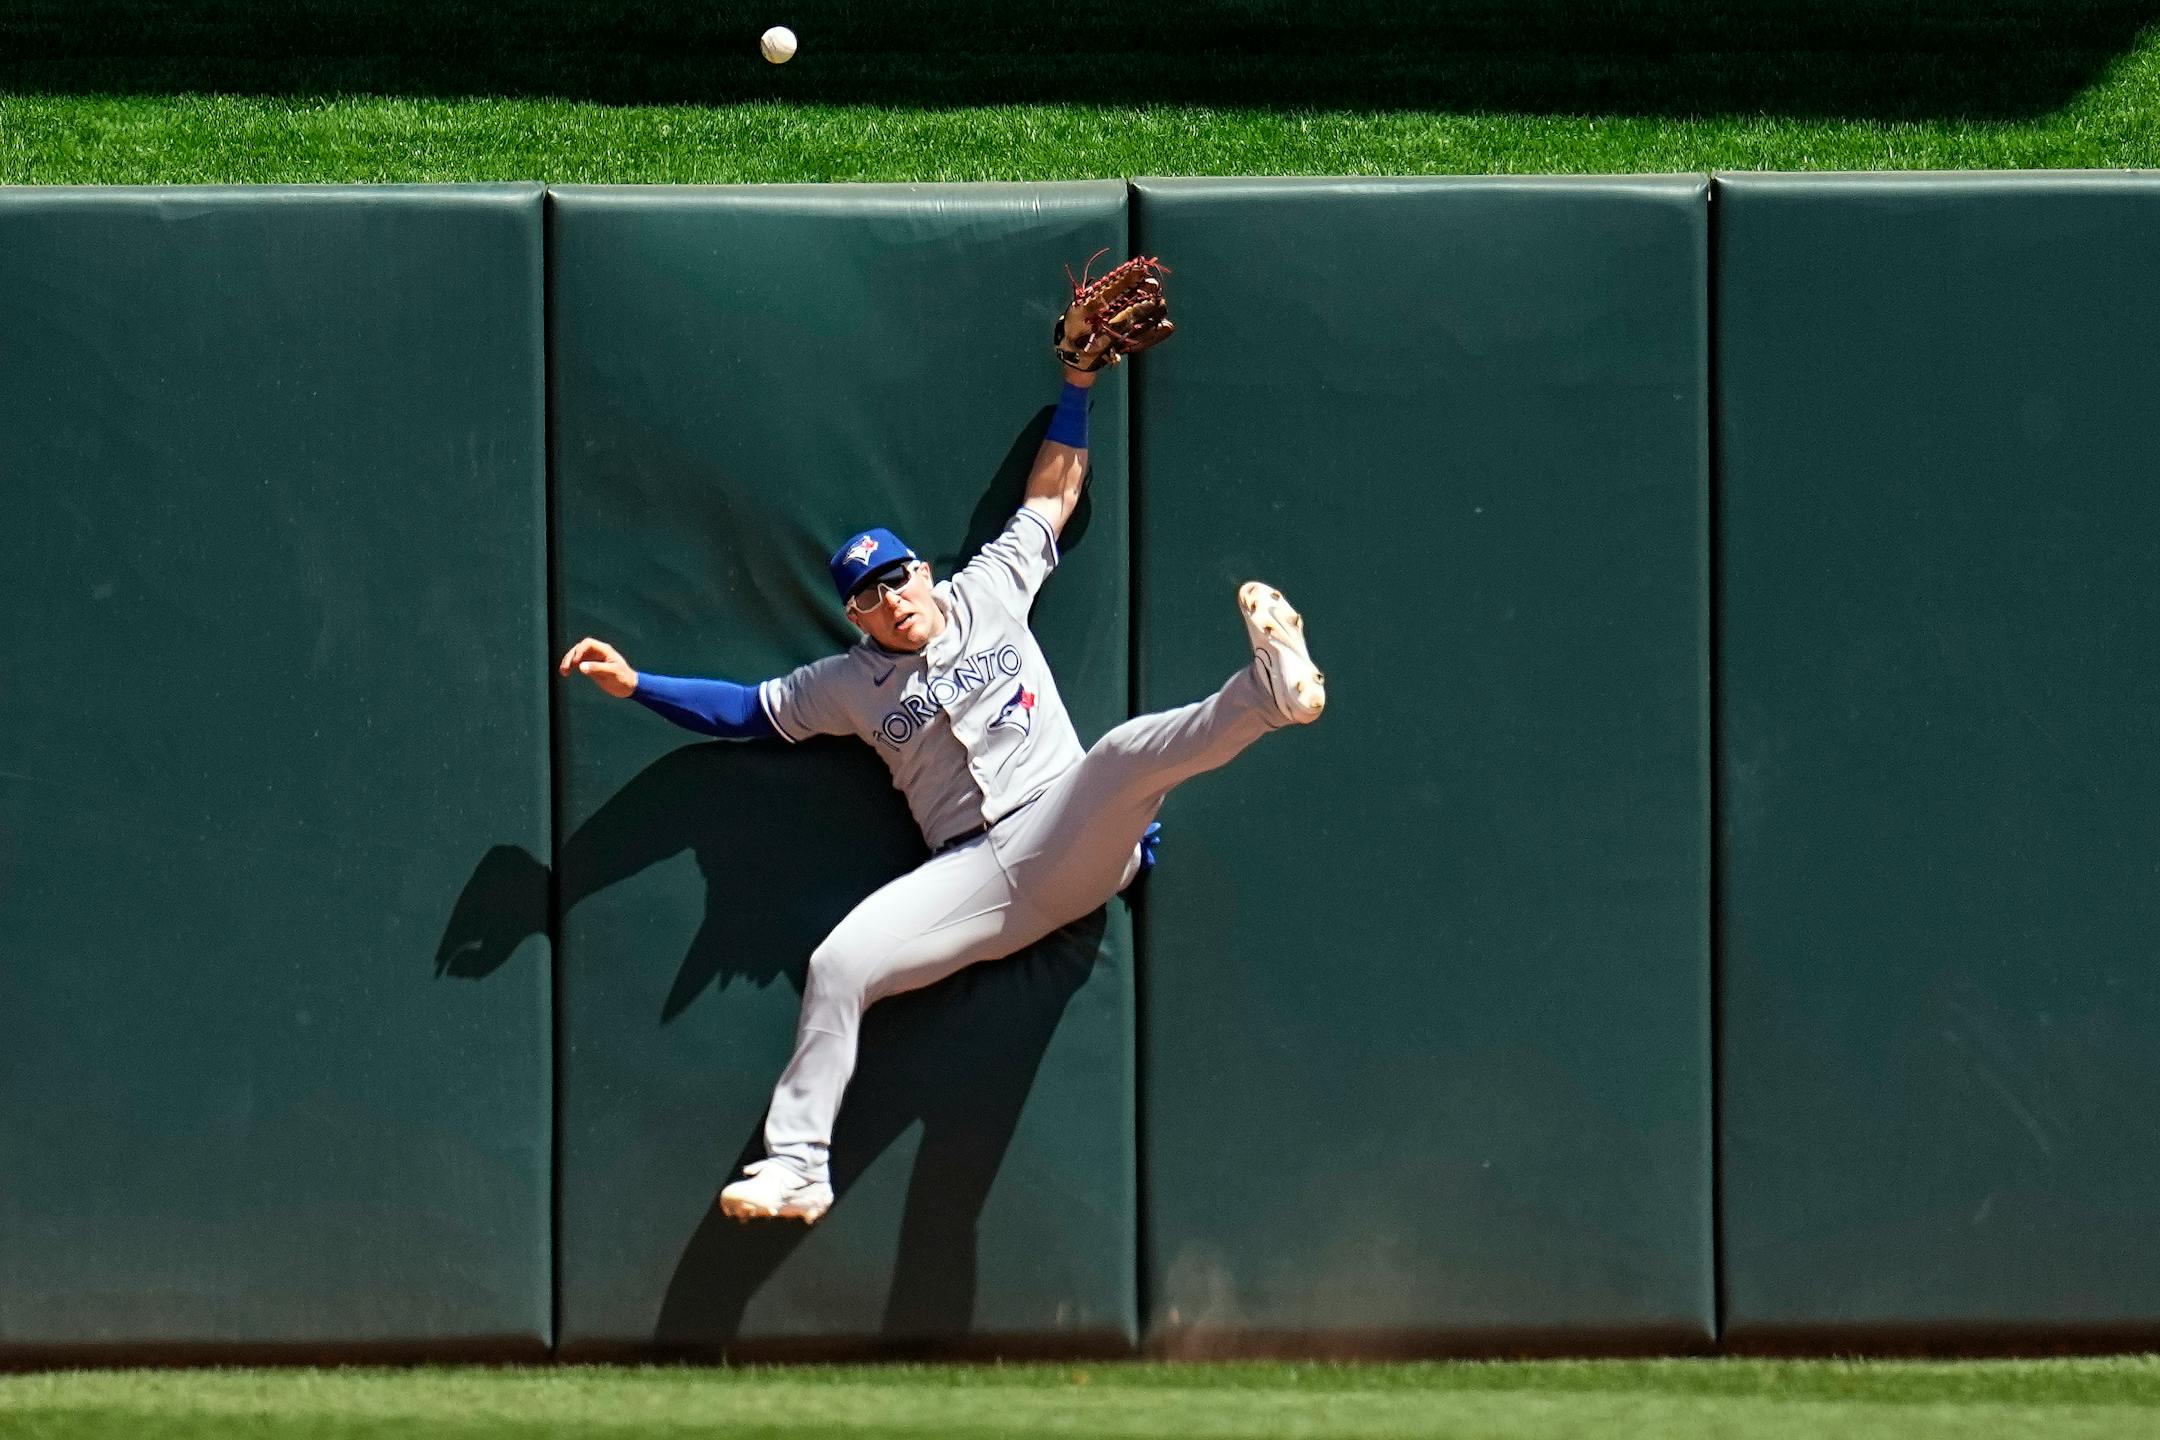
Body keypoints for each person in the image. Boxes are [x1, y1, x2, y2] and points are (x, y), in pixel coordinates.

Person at [558, 356, 1324, 1225]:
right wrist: (637, 685)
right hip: (976, 882)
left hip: (1067, 821)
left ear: (922, 571)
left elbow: (1051, 499)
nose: (888, 603)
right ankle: (799, 1164)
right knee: (838, 964)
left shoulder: (987, 589)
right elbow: (745, 712)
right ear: (856, 618)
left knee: (1117, 756)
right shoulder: (845, 683)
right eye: (867, 599)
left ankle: (1267, 694)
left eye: (895, 579)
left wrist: (1076, 380)